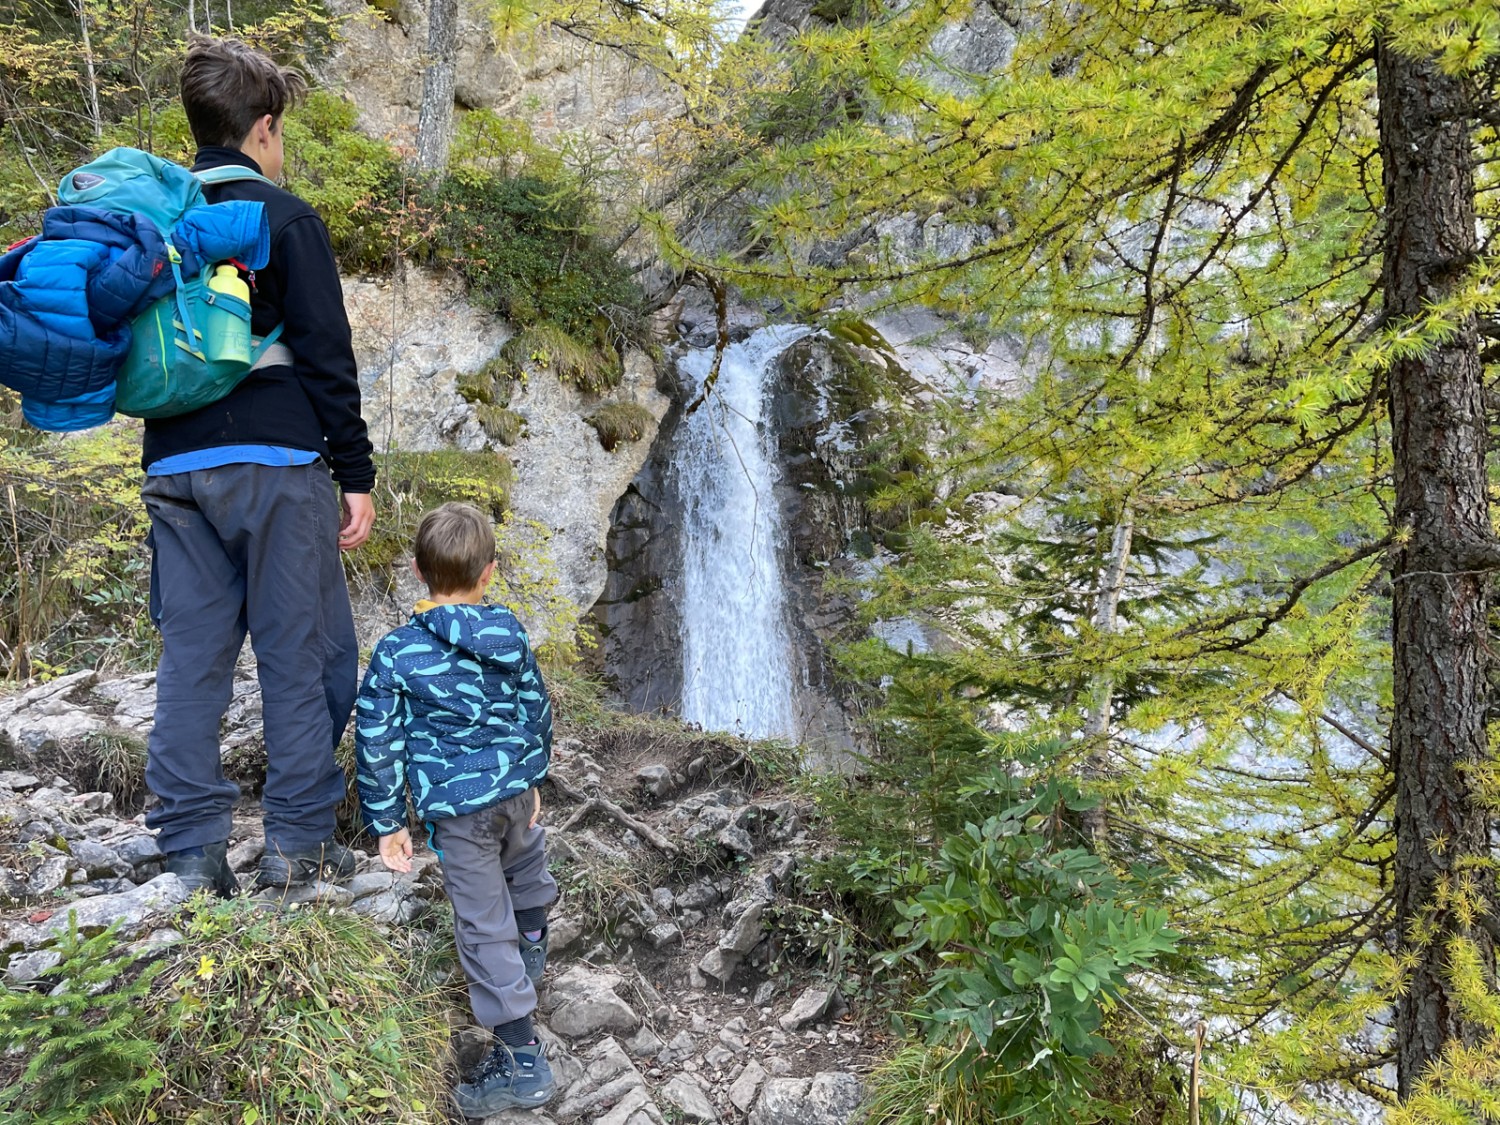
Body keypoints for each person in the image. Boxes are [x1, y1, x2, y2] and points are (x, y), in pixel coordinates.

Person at [145, 35, 376, 896]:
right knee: (304, 651)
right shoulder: (284, 218)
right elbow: (325, 356)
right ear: (265, 127)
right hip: (276, 464)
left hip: (173, 465)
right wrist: (355, 474)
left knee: (193, 657)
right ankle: (298, 843)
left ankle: (191, 850)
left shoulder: (163, 222)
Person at [355, 502, 557, 1115]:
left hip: (461, 812)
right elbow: (537, 707)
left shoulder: (398, 652)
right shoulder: (511, 632)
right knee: (525, 875)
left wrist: (388, 821)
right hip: (517, 793)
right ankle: (531, 940)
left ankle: (522, 1060)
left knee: (479, 922)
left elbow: (378, 739)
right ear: (490, 571)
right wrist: (534, 773)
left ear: (417, 570)